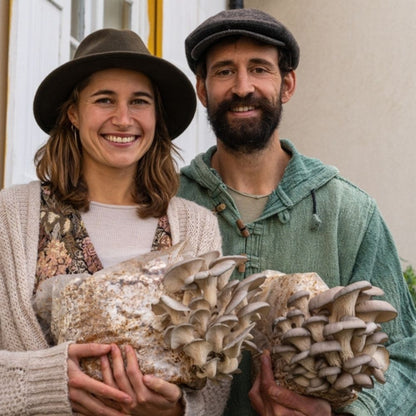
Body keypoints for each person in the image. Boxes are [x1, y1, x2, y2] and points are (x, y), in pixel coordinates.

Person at [178, 8, 416, 416]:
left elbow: (406, 358)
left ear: (287, 84)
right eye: (223, 72)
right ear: (202, 89)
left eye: (259, 69)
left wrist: (344, 414)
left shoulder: (348, 213)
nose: (242, 87)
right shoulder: (167, 203)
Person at [0, 28, 231, 416]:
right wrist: (48, 382)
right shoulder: (12, 217)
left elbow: (217, 375)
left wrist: (179, 408)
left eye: (139, 102)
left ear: (156, 116)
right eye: (104, 99)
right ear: (73, 112)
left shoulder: (196, 228)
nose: (123, 119)